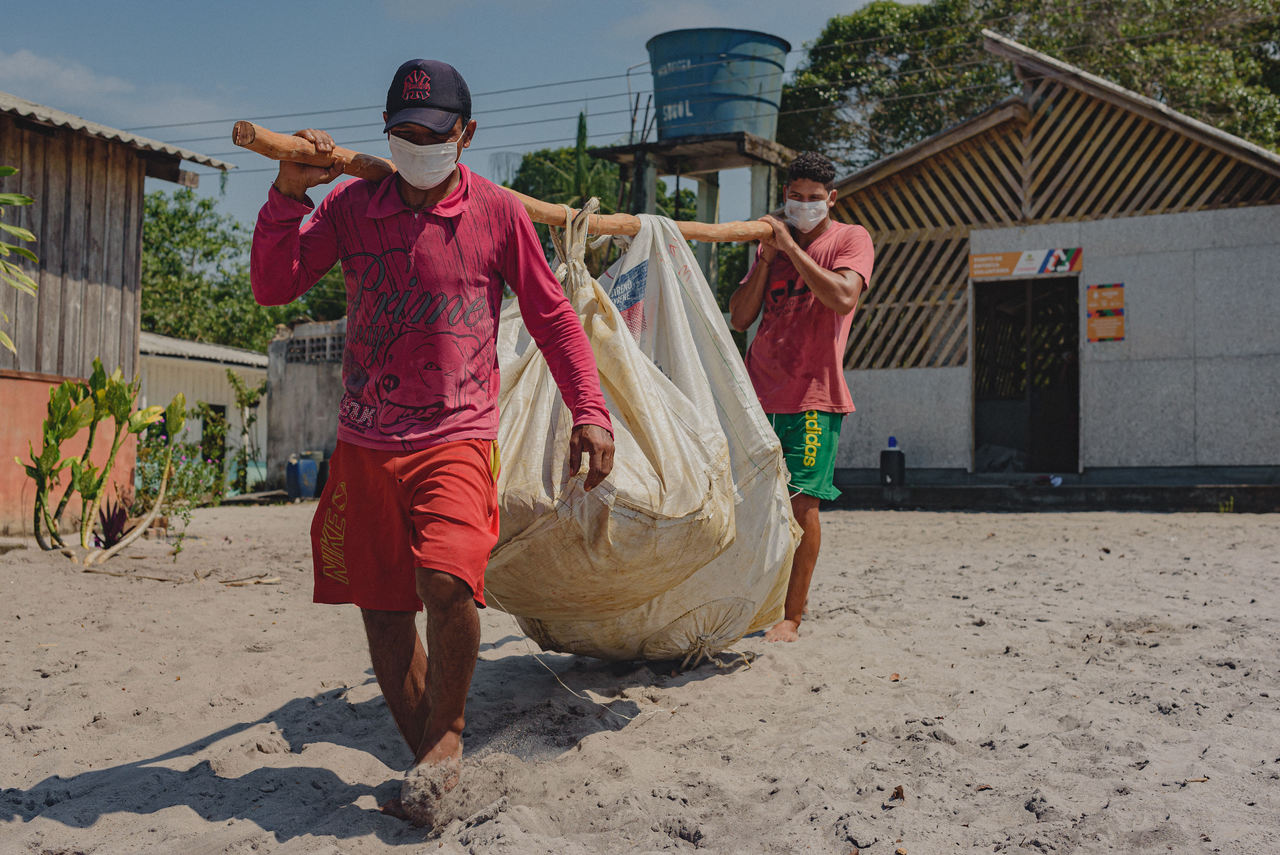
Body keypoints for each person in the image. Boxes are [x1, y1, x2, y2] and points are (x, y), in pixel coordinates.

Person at [249, 59, 615, 825]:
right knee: (383, 609)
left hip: (456, 431)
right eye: (402, 135)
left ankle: (446, 736)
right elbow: (274, 284)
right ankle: (432, 762)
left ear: (466, 135)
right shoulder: (353, 206)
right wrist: (290, 191)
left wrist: (590, 407)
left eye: (432, 134)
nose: (416, 147)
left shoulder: (497, 213)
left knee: (447, 583)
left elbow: (551, 315)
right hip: (364, 438)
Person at [727, 151, 874, 643]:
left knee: (801, 506)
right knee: (748, 505)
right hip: (757, 394)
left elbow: (844, 297)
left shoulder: (851, 238)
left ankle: (791, 615)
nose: (806, 205)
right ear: (785, 196)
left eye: (815, 199)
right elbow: (740, 318)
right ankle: (744, 602)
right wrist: (769, 254)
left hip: (815, 396)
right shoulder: (771, 248)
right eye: (797, 198)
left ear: (831, 199)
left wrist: (791, 245)